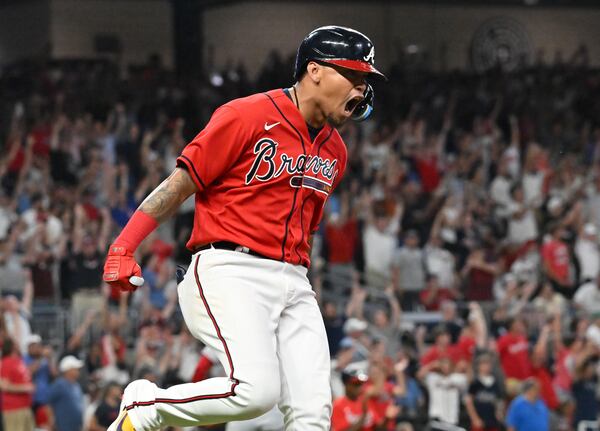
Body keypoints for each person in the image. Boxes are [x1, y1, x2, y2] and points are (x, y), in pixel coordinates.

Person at [104, 25, 386, 431]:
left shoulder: (336, 151)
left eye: (365, 80)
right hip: (230, 269)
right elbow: (179, 185)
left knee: (313, 414)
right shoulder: (247, 115)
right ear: (315, 71)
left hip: (295, 279)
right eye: (353, 76)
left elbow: (306, 230)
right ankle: (147, 406)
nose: (361, 89)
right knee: (255, 393)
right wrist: (123, 247)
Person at [0, 337, 35, 431]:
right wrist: (25, 388)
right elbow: (3, 385)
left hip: (25, 406)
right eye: (16, 343)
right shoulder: (6, 362)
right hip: (13, 408)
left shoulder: (19, 360)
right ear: (12, 347)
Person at [48, 355, 85, 431]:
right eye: (75, 369)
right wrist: (51, 421)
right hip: (63, 426)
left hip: (76, 426)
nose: (78, 371)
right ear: (68, 370)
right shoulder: (59, 385)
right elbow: (48, 404)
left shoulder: (77, 385)